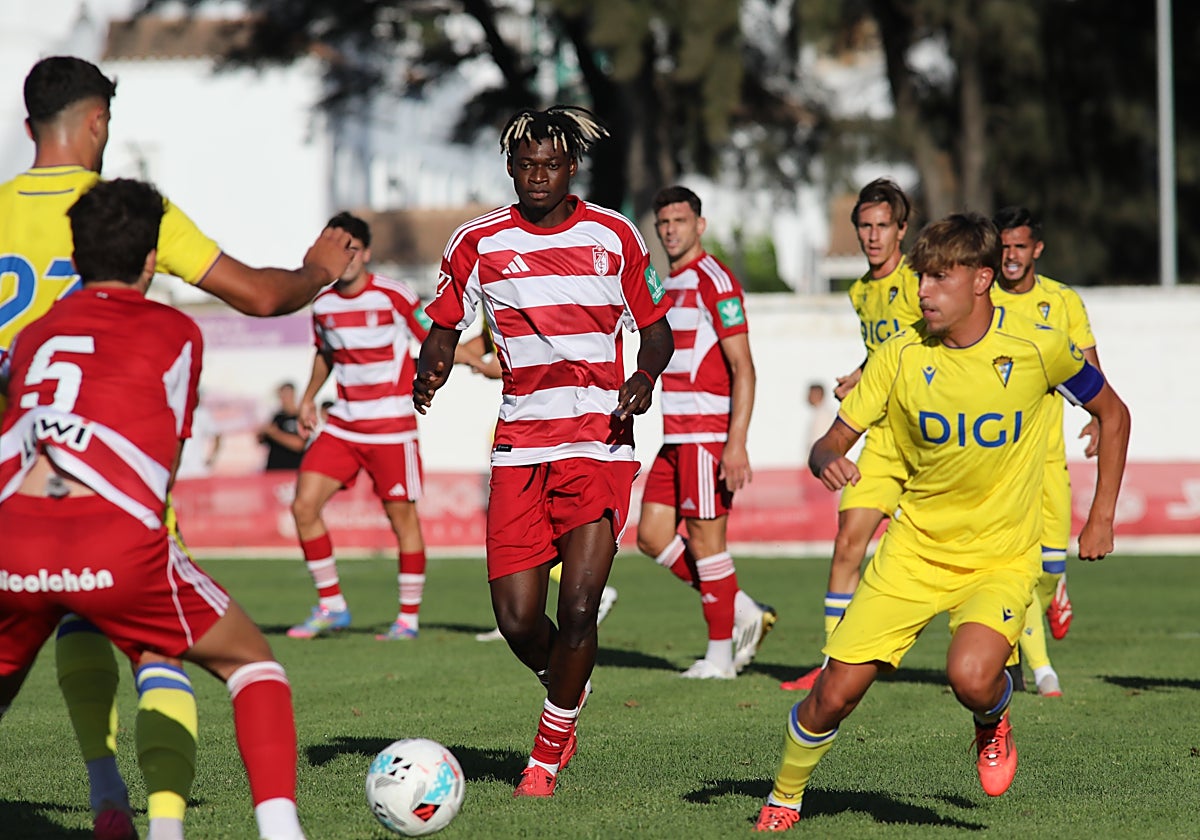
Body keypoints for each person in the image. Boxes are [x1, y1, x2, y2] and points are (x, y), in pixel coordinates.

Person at [0, 56, 351, 840]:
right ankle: (164, 820)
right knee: (158, 638)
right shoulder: (131, 215)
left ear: (29, 126)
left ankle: (105, 793)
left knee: (64, 624)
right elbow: (261, 295)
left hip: (13, 479)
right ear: (98, 121)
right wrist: (317, 271)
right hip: (113, 477)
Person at [754, 213, 1130, 832]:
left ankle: (992, 720)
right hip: (913, 554)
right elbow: (832, 439)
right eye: (921, 277)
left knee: (971, 677)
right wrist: (826, 459)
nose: (923, 292)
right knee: (832, 695)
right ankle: (785, 797)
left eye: (938, 278)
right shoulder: (900, 354)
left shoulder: (1038, 345)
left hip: (1000, 558)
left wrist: (1102, 517)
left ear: (981, 279)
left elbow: (1113, 414)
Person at [413, 105, 673, 798]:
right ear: (510, 167)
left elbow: (657, 331)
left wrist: (644, 377)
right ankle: (566, 685)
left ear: (572, 168)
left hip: (599, 442)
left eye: (550, 165)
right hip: (520, 448)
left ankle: (547, 754)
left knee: (581, 608)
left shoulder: (615, 235)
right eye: (526, 165)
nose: (537, 176)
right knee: (518, 619)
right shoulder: (477, 242)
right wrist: (431, 367)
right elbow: (444, 325)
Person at [781, 178, 922, 691]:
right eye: (865, 226)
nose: (872, 235)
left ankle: (1007, 662)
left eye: (883, 225)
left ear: (901, 230)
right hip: (883, 439)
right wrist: (862, 373)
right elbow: (885, 351)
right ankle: (832, 666)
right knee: (847, 545)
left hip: (931, 438)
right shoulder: (861, 290)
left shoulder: (920, 281)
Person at [634, 185, 776, 679]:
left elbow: (744, 367)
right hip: (675, 435)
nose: (670, 230)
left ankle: (720, 658)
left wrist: (736, 442)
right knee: (652, 536)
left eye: (680, 221)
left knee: (706, 541)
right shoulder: (666, 283)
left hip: (706, 433)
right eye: (663, 223)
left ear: (700, 225)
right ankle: (742, 609)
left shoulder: (716, 279)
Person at [286, 212, 431, 641]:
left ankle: (407, 619)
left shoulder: (394, 294)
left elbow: (432, 338)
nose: (345, 257)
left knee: (401, 519)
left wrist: (471, 358)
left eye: (352, 249)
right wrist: (308, 397)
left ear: (365, 253)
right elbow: (325, 354)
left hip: (391, 426)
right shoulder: (323, 304)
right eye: (338, 249)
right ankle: (331, 606)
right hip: (344, 425)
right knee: (303, 506)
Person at [991, 205, 1103, 697]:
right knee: (1014, 568)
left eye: (1019, 246)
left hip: (1048, 458)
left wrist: (1098, 418)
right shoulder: (982, 296)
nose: (1010, 256)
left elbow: (1091, 372)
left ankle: (1055, 592)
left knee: (1050, 566)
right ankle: (1038, 668)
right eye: (1003, 247)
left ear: (1036, 248)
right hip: (998, 463)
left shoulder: (1061, 301)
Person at [459, 326, 621, 644]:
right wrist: (440, 349)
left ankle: (541, 606)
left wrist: (477, 362)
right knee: (519, 530)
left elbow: (521, 362)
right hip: (518, 426)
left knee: (538, 527)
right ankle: (520, 607)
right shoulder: (492, 306)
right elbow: (482, 343)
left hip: (553, 431)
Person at [259, 383, 305, 471]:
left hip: (292, 471)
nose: (284, 399)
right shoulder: (277, 417)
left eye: (286, 395)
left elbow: (300, 445)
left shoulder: (300, 417)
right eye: (282, 395)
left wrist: (275, 433)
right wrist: (263, 432)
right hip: (274, 470)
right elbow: (262, 440)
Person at [175, 393, 222, 479]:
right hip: (179, 472)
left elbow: (217, 436)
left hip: (196, 471)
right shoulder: (175, 411)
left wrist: (211, 459)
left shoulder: (201, 414)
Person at [803, 383, 834, 453]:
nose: (808, 397)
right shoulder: (819, 412)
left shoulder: (823, 414)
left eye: (810, 394)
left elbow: (818, 439)